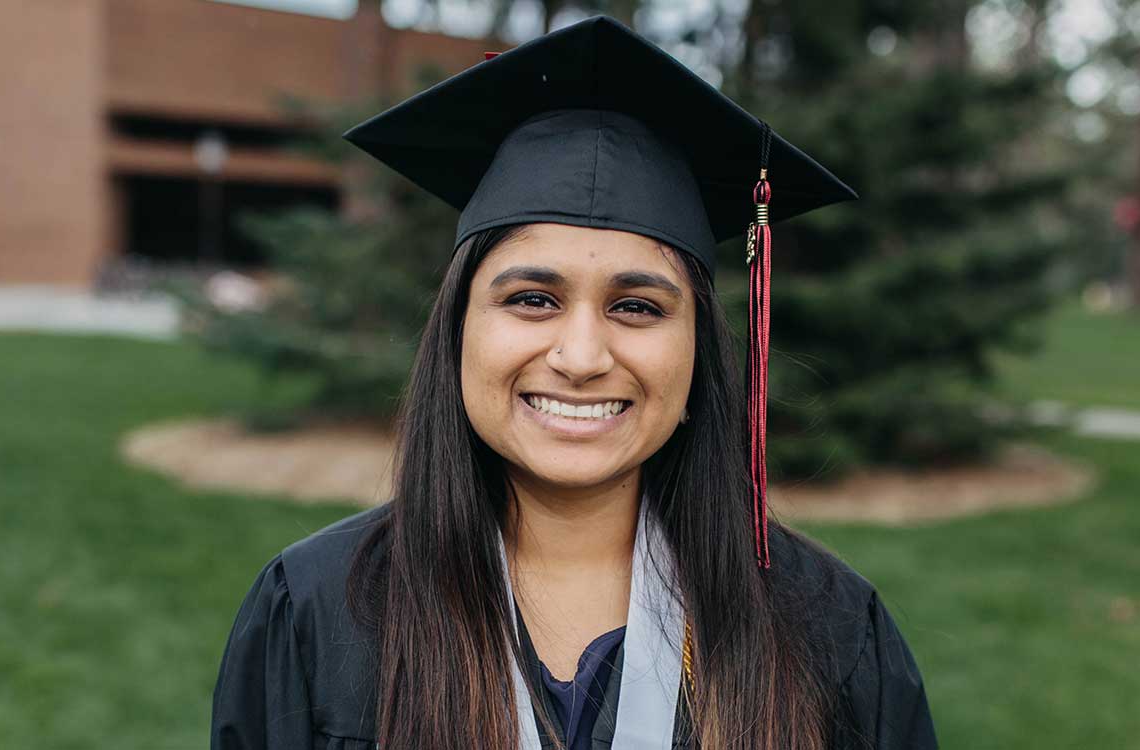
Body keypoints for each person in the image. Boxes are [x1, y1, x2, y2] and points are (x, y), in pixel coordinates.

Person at [210, 17, 935, 750]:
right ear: (459, 328)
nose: (582, 356)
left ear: (697, 356)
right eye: (532, 299)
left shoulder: (828, 633)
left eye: (637, 306)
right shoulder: (315, 614)